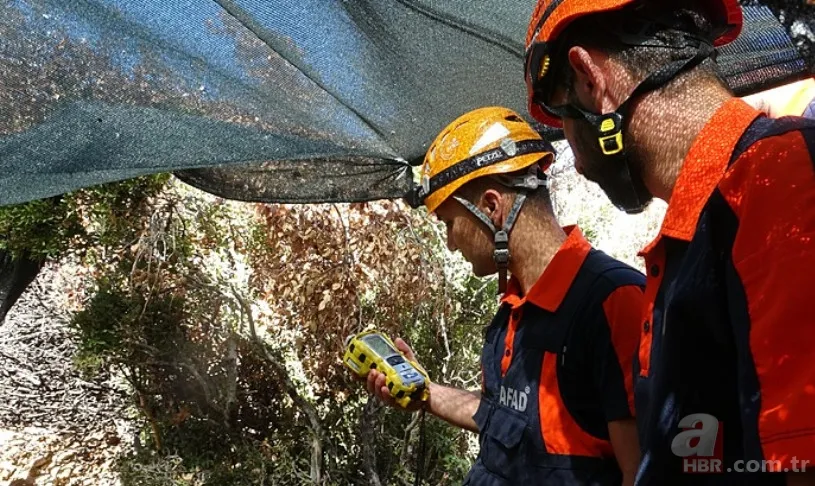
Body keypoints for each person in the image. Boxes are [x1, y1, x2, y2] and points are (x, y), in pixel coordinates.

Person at [523, 0, 815, 485]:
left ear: (589, 78)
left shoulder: (775, 181)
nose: (574, 160)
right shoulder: (698, 228)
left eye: (562, 122)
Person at [366, 106, 645, 485]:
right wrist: (424, 392)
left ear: (492, 207)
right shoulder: (512, 311)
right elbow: (503, 420)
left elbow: (642, 470)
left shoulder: (614, 301)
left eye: (449, 224)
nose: (449, 244)